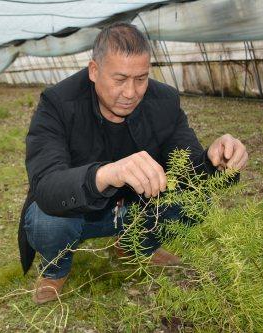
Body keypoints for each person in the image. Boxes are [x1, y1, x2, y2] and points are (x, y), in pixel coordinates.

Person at [18, 22, 248, 304]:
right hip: (78, 212)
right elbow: (47, 184)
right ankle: (56, 269)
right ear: (94, 71)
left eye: (141, 79)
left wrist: (216, 162)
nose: (131, 92)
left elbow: (187, 167)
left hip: (135, 208)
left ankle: (136, 245)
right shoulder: (58, 103)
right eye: (120, 79)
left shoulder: (163, 101)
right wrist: (104, 175)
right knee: (46, 221)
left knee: (195, 202)